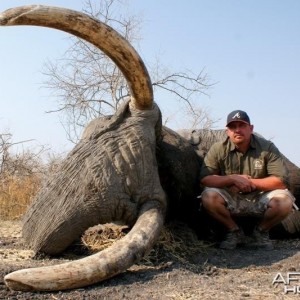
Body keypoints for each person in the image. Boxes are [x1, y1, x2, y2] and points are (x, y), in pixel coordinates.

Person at [199, 110, 296, 250]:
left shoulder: (267, 147)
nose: (237, 130)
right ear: (227, 131)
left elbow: (281, 181)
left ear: (251, 128)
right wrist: (232, 179)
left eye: (242, 125)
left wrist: (250, 183)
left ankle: (260, 232)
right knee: (208, 196)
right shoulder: (218, 149)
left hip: (260, 196)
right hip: (231, 197)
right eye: (233, 127)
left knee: (285, 201)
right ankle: (234, 231)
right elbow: (205, 179)